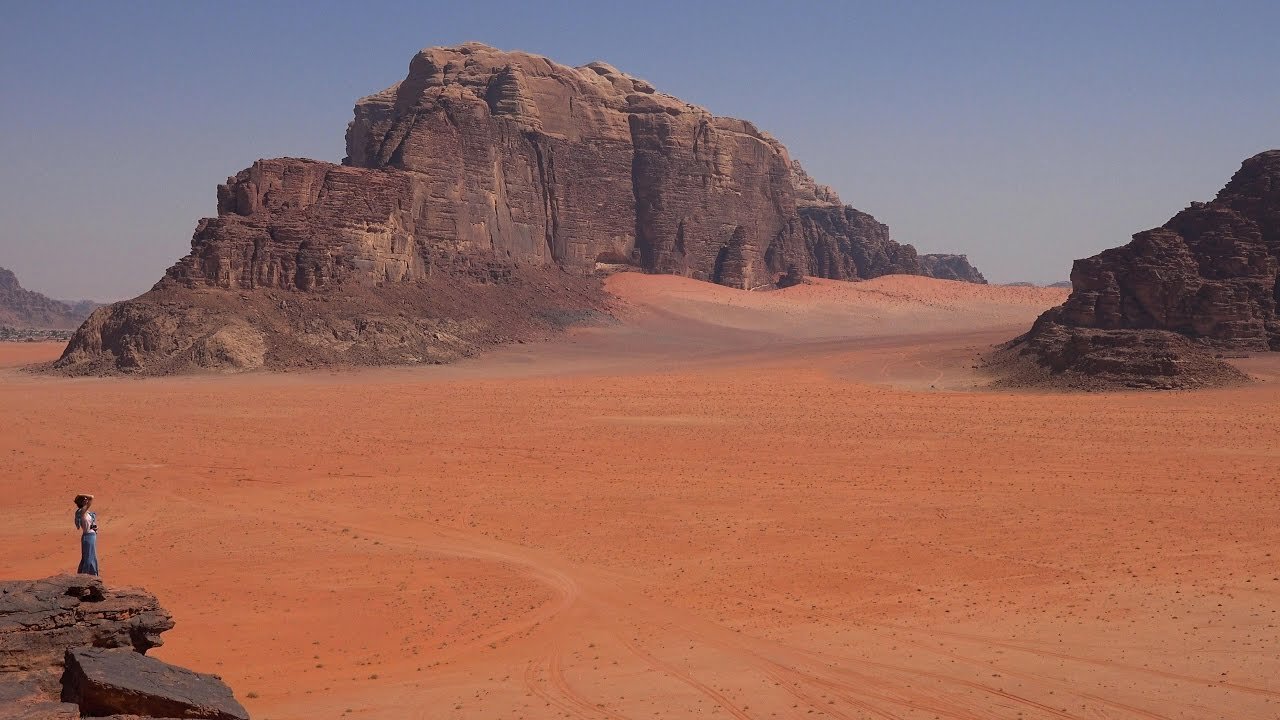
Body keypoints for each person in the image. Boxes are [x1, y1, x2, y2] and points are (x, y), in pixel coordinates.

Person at [73, 493, 99, 575]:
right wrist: (80, 494)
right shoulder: (82, 511)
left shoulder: (86, 512)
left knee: (90, 556)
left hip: (90, 535)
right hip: (88, 537)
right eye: (84, 499)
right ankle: (86, 575)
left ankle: (90, 575)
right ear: (81, 502)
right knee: (88, 557)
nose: (86, 499)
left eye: (86, 499)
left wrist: (94, 528)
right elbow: (92, 497)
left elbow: (88, 524)